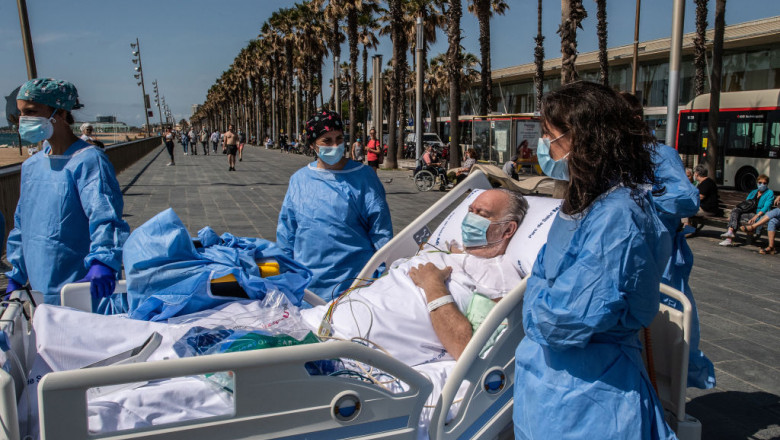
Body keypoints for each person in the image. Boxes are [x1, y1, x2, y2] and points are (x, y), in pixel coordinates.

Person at [513, 82, 676, 439]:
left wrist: (535, 303)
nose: (546, 147)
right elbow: (544, 272)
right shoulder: (583, 203)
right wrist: (541, 298)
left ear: (585, 138)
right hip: (549, 387)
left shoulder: (618, 215)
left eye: (549, 136)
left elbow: (566, 319)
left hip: (594, 395)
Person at [300, 188, 528, 364]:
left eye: (483, 214)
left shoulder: (500, 276)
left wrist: (433, 286)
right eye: (471, 211)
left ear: (508, 230)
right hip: (320, 321)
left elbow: (466, 349)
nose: (471, 218)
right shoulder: (448, 250)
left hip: (348, 350)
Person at [5, 78, 130, 305]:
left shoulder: (89, 161)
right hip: (38, 289)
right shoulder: (32, 166)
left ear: (60, 113)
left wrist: (103, 261)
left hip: (81, 286)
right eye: (21, 114)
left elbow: (106, 217)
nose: (23, 120)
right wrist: (16, 273)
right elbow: (22, 224)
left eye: (31, 111)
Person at [622, 91, 715, 390]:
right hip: (623, 257)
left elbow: (686, 200)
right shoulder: (606, 158)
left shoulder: (660, 156)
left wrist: (643, 190)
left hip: (659, 258)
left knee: (664, 335)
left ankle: (666, 401)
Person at [277, 110, 393, 302]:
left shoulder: (363, 177)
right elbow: (287, 231)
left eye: (339, 138)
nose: (335, 145)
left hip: (354, 286)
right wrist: (287, 274)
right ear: (313, 145)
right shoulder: (299, 180)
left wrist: (382, 275)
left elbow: (381, 232)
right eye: (327, 141)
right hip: (308, 287)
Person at [719, 174, 774, 246]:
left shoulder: (769, 193)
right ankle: (730, 234)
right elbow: (745, 204)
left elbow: (766, 207)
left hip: (759, 215)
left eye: (764, 183)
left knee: (735, 216)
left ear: (767, 184)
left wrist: (756, 216)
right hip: (748, 213)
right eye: (760, 183)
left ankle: (729, 238)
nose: (762, 184)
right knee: (735, 211)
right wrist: (733, 214)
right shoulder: (754, 192)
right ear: (757, 183)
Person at [688, 164, 722, 232]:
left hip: (707, 210)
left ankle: (688, 229)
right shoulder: (705, 182)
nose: (694, 175)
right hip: (705, 208)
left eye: (694, 173)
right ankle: (688, 227)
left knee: (685, 210)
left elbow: (700, 197)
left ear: (697, 174)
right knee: (684, 208)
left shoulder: (706, 183)